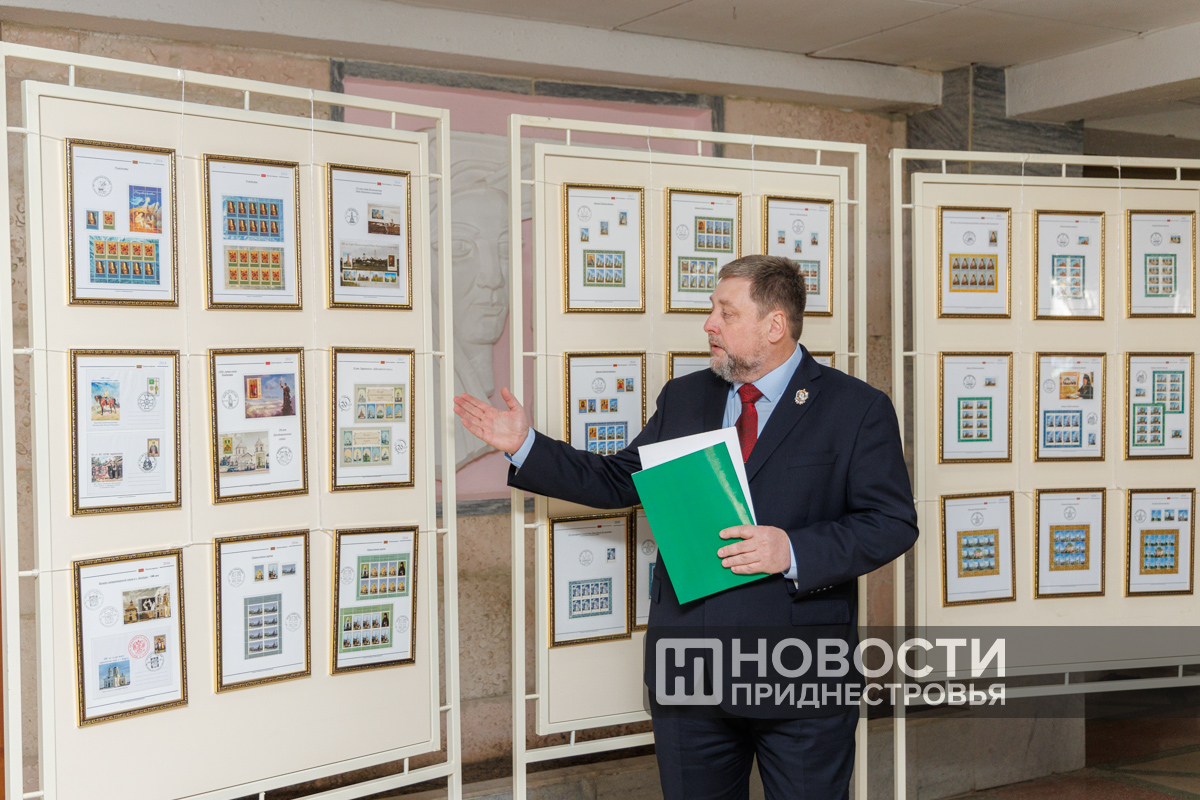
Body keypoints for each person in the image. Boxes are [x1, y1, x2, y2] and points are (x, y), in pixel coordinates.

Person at [454, 255, 917, 800]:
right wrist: (525, 446)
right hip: (690, 675)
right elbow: (621, 481)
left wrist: (791, 549)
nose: (709, 324)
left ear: (775, 325)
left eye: (726, 312)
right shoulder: (686, 397)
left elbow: (891, 523)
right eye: (711, 309)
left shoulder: (856, 408)